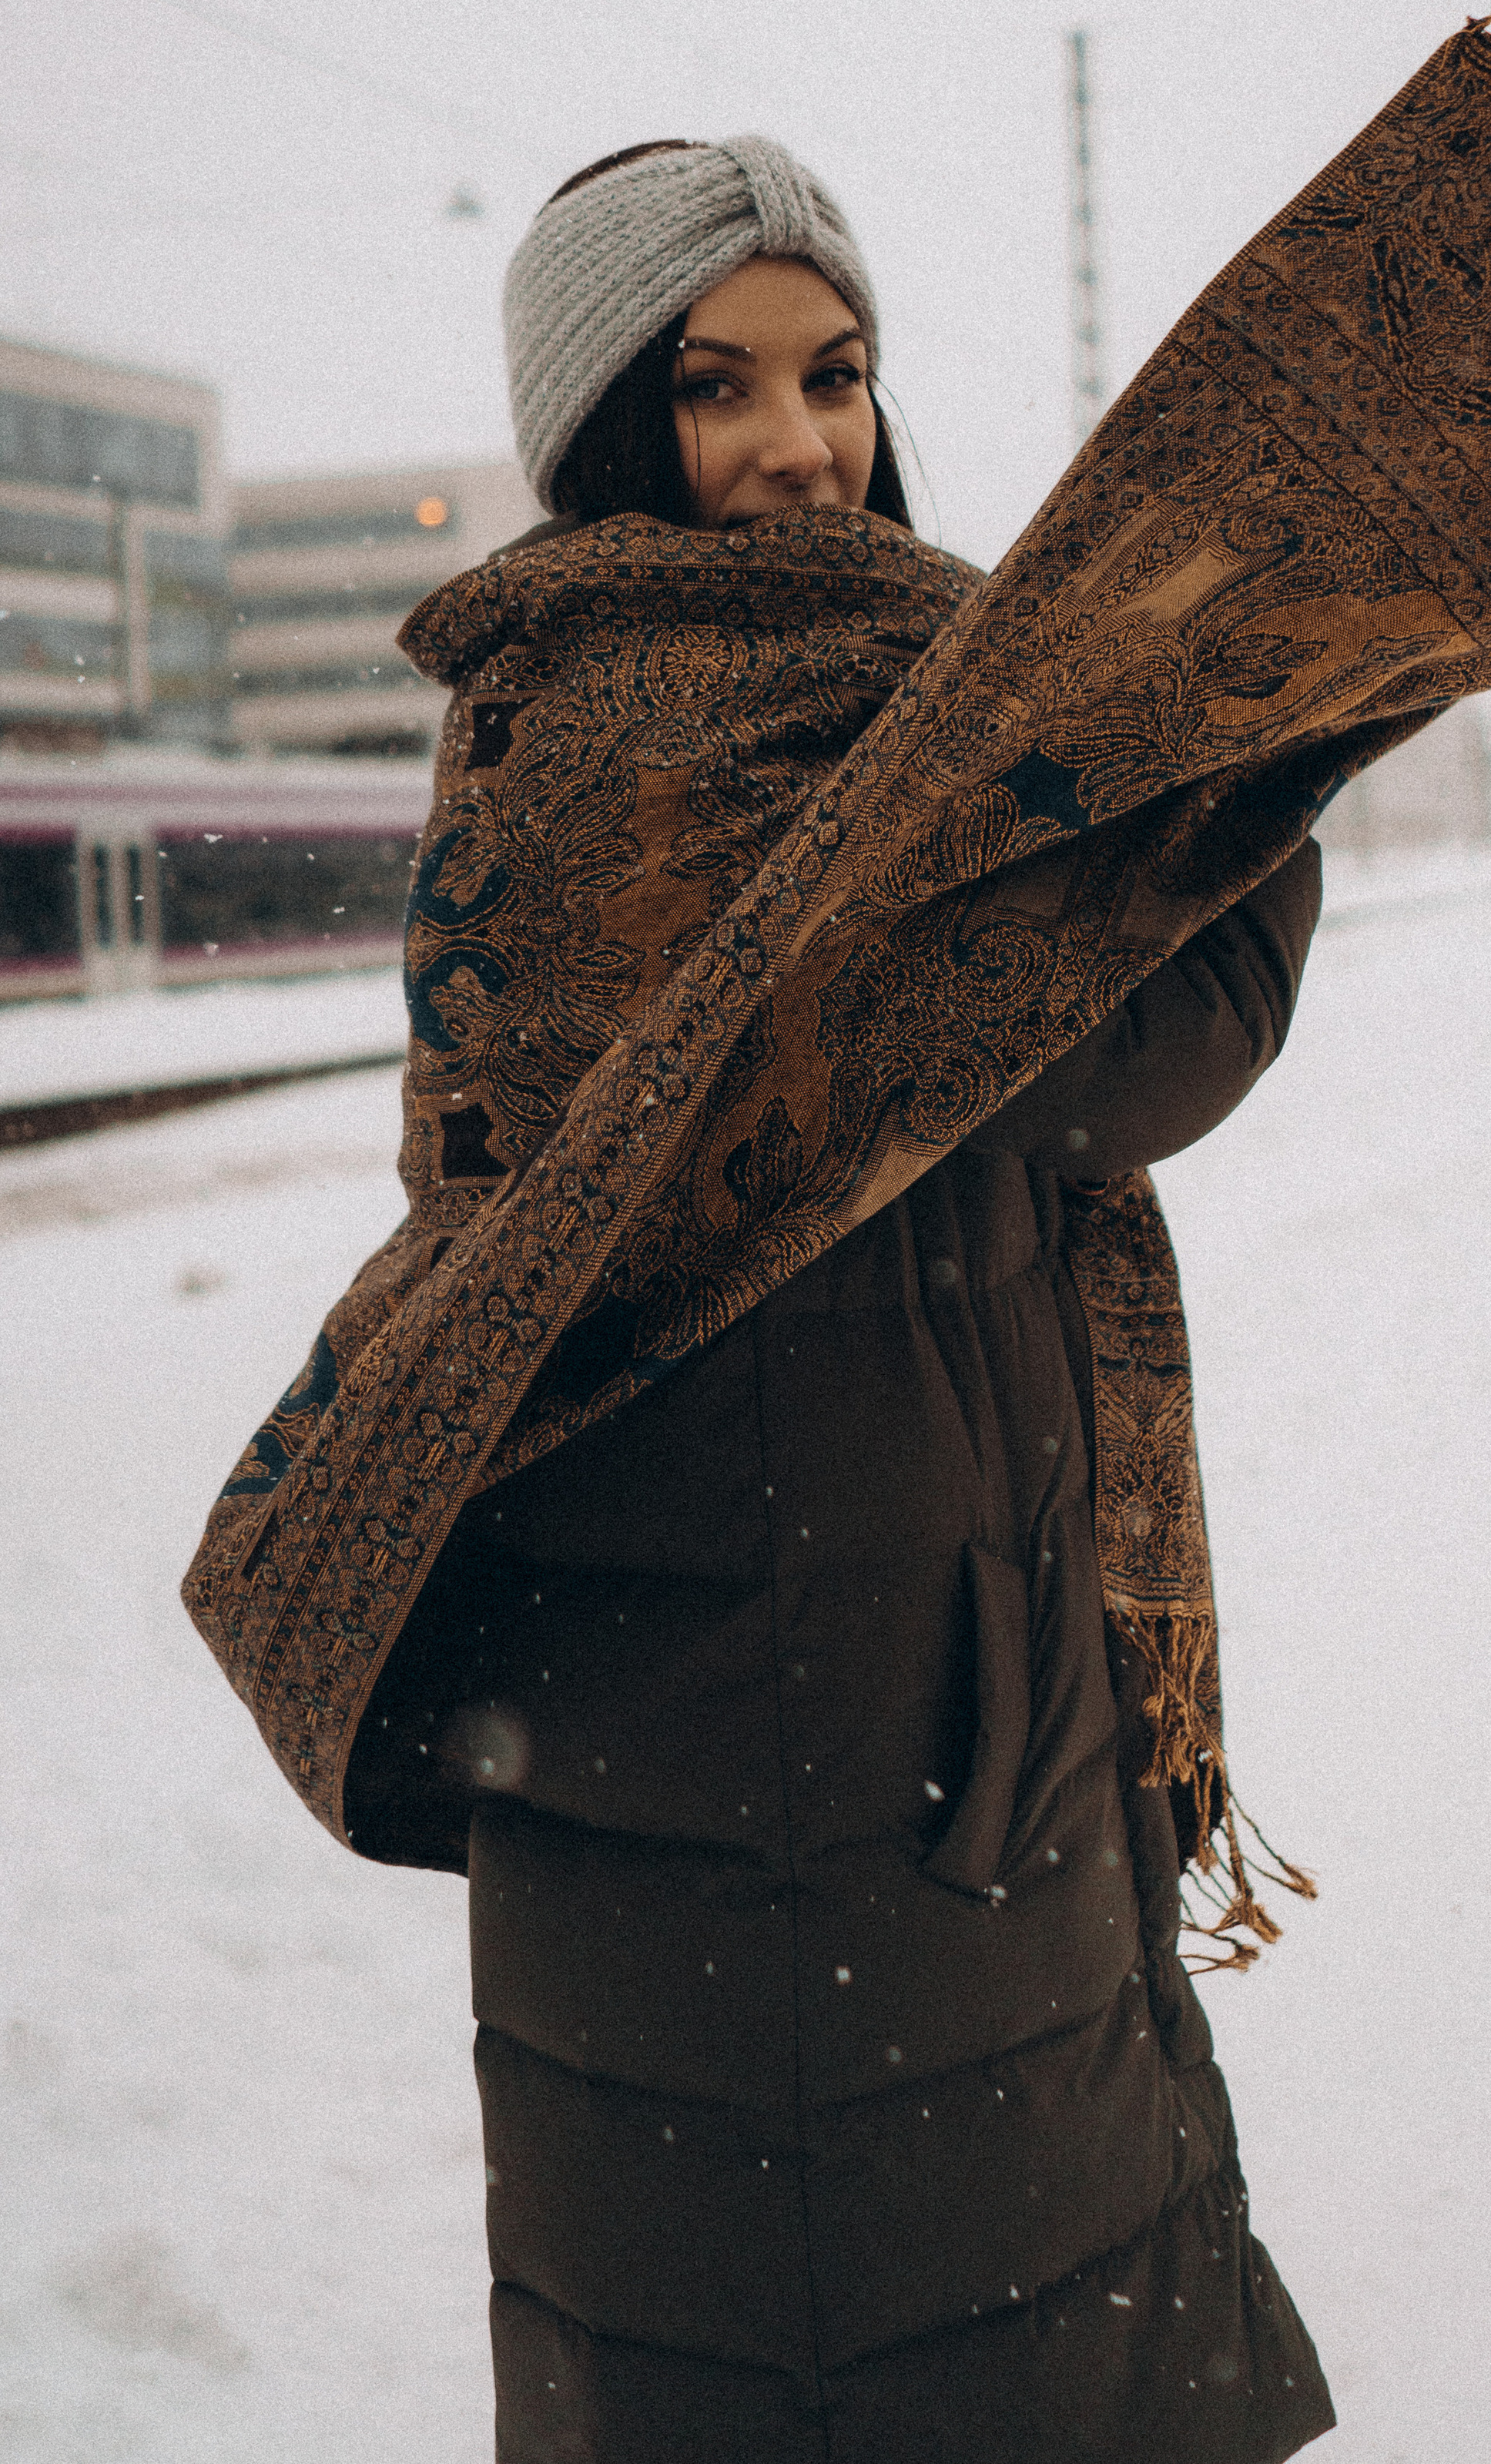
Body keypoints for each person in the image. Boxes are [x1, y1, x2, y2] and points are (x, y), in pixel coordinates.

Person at [355, 137, 1333, 2461]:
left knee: (924, 2329)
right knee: (913, 2352)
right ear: (608, 426)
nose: (801, 442)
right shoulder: (668, 734)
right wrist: (1267, 747)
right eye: (718, 387)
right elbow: (1120, 1052)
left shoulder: (824, 702)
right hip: (806, 1755)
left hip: (848, 1705)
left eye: (839, 373)